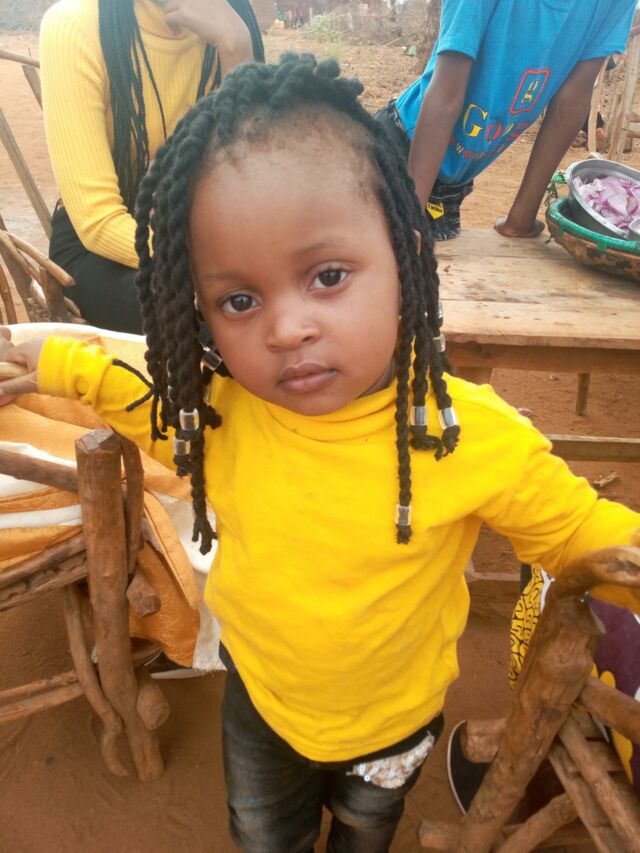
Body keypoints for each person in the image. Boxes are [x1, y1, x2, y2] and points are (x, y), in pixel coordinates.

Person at [1, 54, 639, 852]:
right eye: (239, 299)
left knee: (365, 831)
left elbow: (583, 532)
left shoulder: (461, 432)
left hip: (395, 724)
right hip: (260, 708)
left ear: (406, 257)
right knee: (265, 833)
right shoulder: (219, 412)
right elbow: (134, 387)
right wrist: (51, 360)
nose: (286, 328)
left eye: (328, 275)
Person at [40, 0, 264, 333]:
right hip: (107, 250)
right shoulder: (76, 25)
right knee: (227, 321)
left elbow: (255, 179)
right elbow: (97, 221)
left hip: (210, 234)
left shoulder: (231, 20)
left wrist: (236, 51)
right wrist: (210, 262)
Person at [376, 0, 636, 240]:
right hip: (399, 157)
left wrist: (521, 219)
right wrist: (411, 221)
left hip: (448, 187)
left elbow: (570, 104)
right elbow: (446, 94)